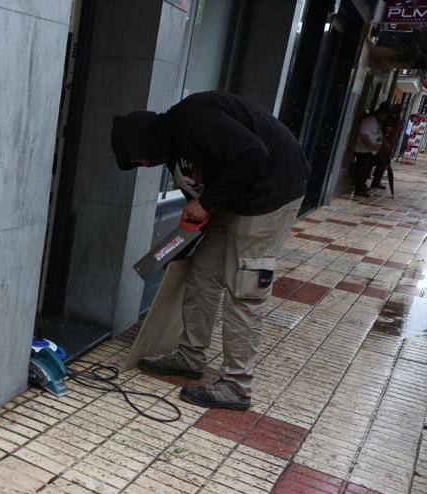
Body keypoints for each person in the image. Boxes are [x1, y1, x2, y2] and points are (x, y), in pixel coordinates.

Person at [110, 91, 310, 411]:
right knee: (202, 273)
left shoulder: (194, 118)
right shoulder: (174, 149)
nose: (144, 165)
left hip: (272, 193)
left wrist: (206, 204)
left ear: (143, 142)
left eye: (138, 159)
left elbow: (252, 154)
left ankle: (236, 386)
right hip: (235, 199)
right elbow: (203, 189)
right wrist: (188, 229)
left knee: (244, 289)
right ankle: (191, 357)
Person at [352, 106, 385, 196]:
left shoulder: (375, 122)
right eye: (384, 115)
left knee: (366, 170)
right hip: (363, 150)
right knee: (362, 170)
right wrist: (372, 146)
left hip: (370, 151)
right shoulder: (370, 121)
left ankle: (362, 186)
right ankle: (359, 189)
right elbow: (363, 136)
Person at [371, 103, 401, 190]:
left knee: (383, 163)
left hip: (390, 144)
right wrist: (384, 142)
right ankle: (374, 180)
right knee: (380, 162)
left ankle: (377, 180)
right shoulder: (388, 119)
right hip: (384, 144)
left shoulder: (396, 120)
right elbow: (381, 130)